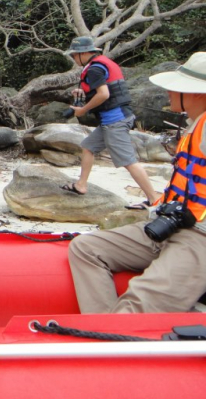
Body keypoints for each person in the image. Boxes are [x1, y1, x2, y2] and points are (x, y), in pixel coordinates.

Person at [68, 52, 206, 313]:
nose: (168, 91)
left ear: (197, 93)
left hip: (200, 236)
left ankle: (117, 335)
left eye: (176, 87)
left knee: (138, 305)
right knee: (85, 247)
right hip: (170, 225)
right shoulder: (195, 123)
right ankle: (104, 333)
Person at [60, 36, 158, 210]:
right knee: (88, 146)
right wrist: (83, 92)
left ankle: (154, 199)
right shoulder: (100, 64)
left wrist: (83, 110)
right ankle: (81, 185)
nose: (74, 59)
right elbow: (105, 90)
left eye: (74, 55)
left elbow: (104, 95)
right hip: (113, 118)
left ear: (83, 53)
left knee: (128, 161)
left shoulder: (94, 70)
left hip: (115, 120)